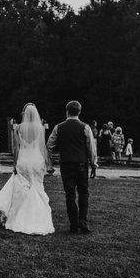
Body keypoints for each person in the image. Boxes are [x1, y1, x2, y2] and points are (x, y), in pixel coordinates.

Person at [0, 103, 54, 235]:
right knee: (37, 187)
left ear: (24, 114)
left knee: (21, 189)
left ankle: (17, 217)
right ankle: (37, 217)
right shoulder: (40, 128)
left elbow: (16, 148)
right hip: (36, 161)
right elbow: (43, 148)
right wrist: (47, 163)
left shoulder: (19, 128)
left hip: (24, 160)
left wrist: (15, 164)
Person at [46, 100, 98, 234]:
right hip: (81, 164)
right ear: (79, 112)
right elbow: (91, 148)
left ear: (67, 111)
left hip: (66, 164)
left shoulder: (58, 127)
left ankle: (73, 225)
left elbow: (49, 146)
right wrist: (94, 165)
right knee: (84, 193)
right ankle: (83, 222)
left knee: (69, 195)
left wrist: (50, 164)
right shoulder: (85, 127)